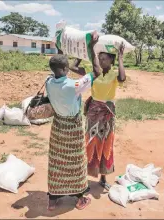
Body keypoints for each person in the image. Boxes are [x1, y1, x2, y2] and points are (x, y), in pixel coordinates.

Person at [46, 31, 100, 211]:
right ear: (64, 70)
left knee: (57, 161)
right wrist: (91, 47)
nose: (69, 68)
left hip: (58, 126)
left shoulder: (48, 81)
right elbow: (97, 72)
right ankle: (80, 197)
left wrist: (61, 46)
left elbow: (59, 64)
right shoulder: (73, 86)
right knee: (75, 162)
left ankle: (53, 198)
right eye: (67, 67)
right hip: (73, 127)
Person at [70, 43, 126, 191]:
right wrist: (82, 52)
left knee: (106, 143)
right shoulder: (94, 73)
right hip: (93, 112)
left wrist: (120, 57)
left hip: (107, 113)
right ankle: (85, 178)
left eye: (104, 59)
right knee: (90, 142)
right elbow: (73, 67)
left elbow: (122, 78)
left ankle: (103, 177)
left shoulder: (114, 74)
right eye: (99, 58)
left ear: (111, 61)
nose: (101, 61)